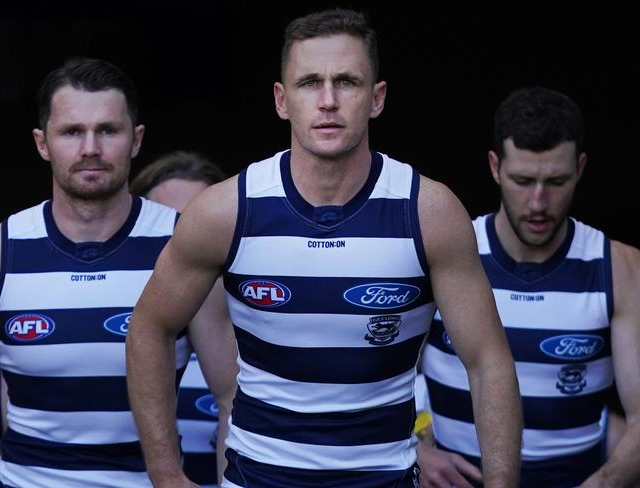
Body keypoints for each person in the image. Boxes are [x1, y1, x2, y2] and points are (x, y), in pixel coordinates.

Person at [126, 8, 523, 488]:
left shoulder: (428, 212)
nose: (329, 100)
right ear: (281, 99)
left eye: (348, 82)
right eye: (310, 82)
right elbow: (149, 326)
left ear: (377, 98)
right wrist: (166, 475)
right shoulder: (227, 209)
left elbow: (488, 360)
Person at [0, 56, 237, 487]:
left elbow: (231, 395)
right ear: (41, 142)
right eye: (72, 132)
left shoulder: (182, 243)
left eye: (108, 130)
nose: (90, 148)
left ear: (136, 139)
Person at [420, 86, 640, 488]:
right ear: (494, 167)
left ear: (581, 168)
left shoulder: (621, 268)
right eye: (523, 180)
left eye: (556, 181)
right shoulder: (447, 250)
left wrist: (603, 482)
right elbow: (376, 374)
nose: (538, 203)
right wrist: (417, 449)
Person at [130, 150, 229, 488]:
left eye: (198, 223)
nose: (186, 242)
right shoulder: (120, 339)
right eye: (170, 223)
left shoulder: (263, 334)